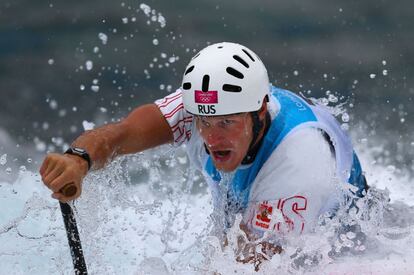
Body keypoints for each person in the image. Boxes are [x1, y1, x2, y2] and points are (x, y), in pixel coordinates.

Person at [40, 42, 367, 267]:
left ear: (260, 111)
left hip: (346, 251)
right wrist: (78, 159)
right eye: (204, 121)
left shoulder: (299, 159)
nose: (211, 137)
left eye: (226, 122)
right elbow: (121, 135)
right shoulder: (201, 106)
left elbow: (248, 267)